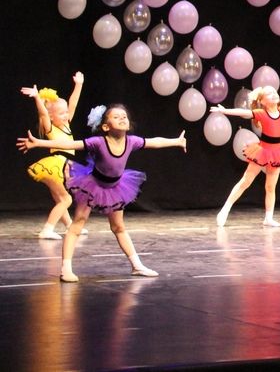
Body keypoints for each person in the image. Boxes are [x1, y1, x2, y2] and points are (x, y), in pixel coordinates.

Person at [17, 103, 187, 282]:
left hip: (116, 188)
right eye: (116, 117)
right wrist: (39, 143)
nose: (122, 118)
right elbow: (70, 144)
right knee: (77, 224)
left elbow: (155, 142)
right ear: (106, 127)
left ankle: (137, 266)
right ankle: (66, 269)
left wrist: (176, 141)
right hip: (93, 186)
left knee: (118, 227)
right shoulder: (98, 142)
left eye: (124, 116)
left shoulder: (132, 141)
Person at [210, 65, 280, 227]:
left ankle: (268, 218)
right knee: (246, 181)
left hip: (277, 152)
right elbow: (244, 112)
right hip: (263, 151)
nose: (274, 94)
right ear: (263, 101)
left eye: (274, 92)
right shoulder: (261, 113)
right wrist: (225, 111)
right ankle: (225, 210)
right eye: (269, 94)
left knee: (270, 187)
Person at [21, 71, 85, 239]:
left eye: (66, 112)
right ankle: (47, 229)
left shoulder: (66, 125)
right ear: (51, 116)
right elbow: (43, 113)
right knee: (66, 200)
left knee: (59, 198)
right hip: (54, 166)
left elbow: (73, 103)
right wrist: (37, 98)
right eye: (61, 113)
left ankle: (69, 225)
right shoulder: (51, 128)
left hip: (62, 166)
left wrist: (78, 85)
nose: (66, 115)